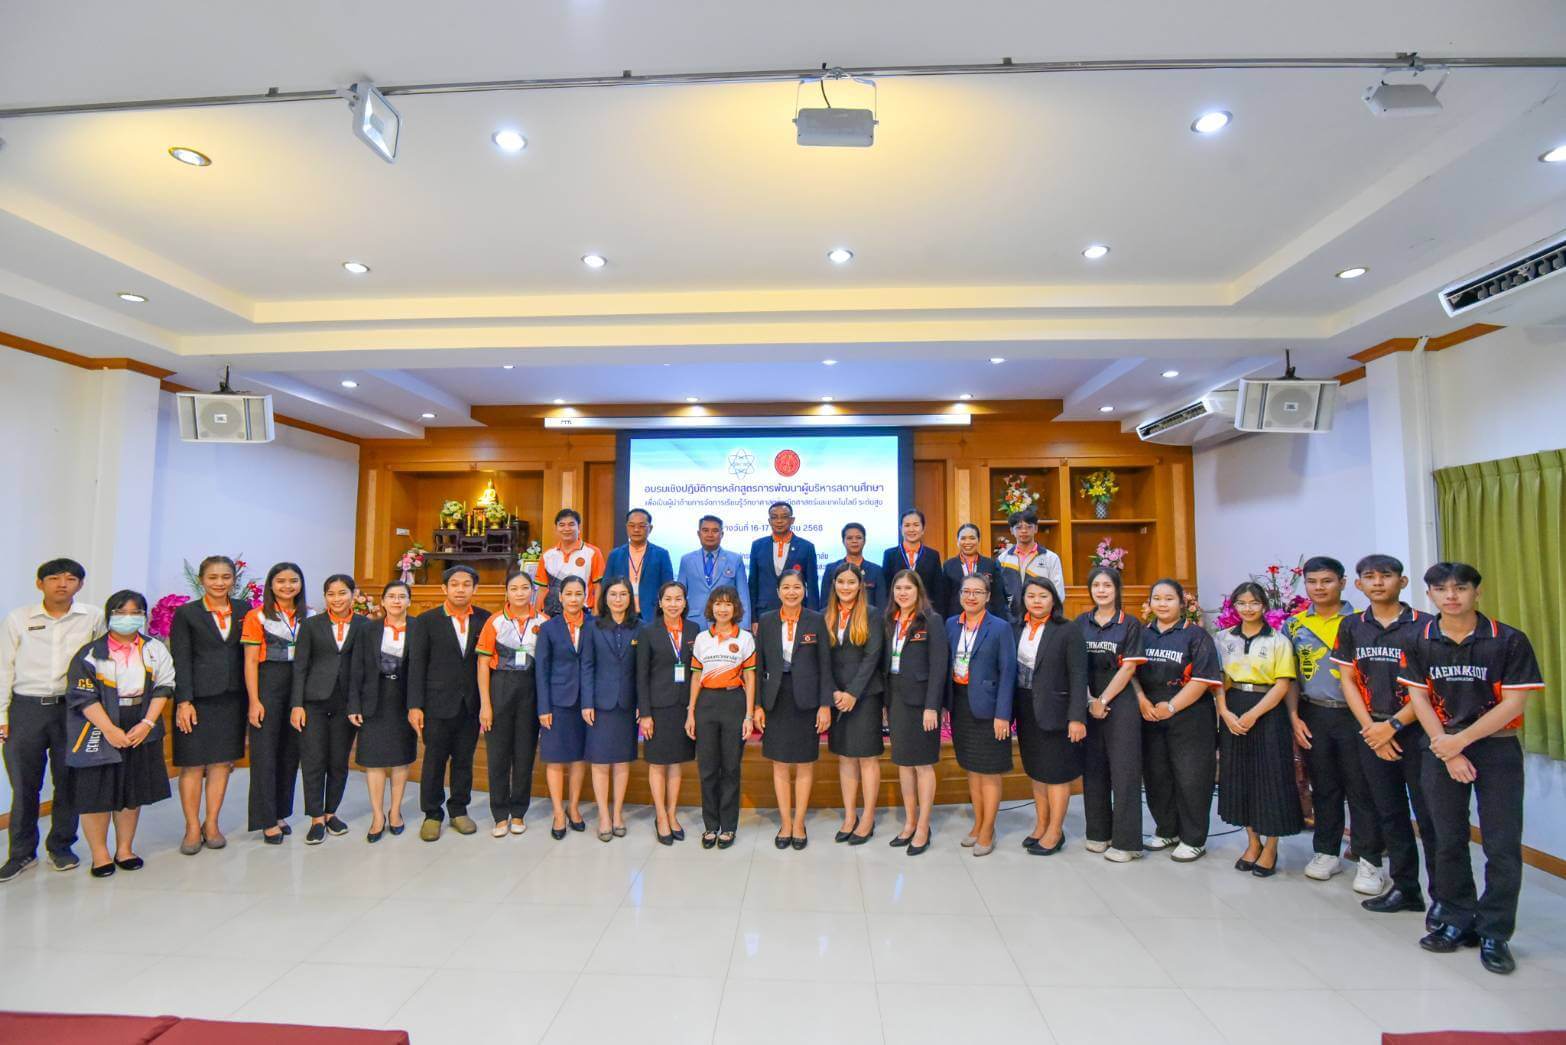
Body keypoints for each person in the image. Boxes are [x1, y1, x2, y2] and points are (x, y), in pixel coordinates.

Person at [1401, 562, 1545, 976]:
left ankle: (1495, 931)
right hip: (1440, 746)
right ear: (1430, 594)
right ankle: (1455, 919)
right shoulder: (1418, 638)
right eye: (1441, 589)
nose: (1451, 596)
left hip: (1496, 748)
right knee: (1446, 838)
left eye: (1460, 588)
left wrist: (1459, 743)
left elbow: (1513, 703)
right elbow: (1419, 699)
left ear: (1476, 592)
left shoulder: (1508, 640)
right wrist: (1447, 749)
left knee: (1501, 844)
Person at [1332, 554, 1438, 914]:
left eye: (1386, 576)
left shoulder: (1426, 626)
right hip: (1372, 730)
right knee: (1389, 812)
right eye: (1370, 577)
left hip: (1418, 731)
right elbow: (1348, 680)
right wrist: (1370, 727)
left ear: (1402, 582)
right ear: (1359, 584)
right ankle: (1406, 889)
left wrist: (1392, 725)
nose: (1378, 583)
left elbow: (1430, 686)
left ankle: (1444, 896)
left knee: (1430, 815)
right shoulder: (1352, 626)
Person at [1286, 556, 1387, 895]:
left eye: (1327, 581)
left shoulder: (1361, 621)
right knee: (1324, 786)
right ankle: (1326, 852)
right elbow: (1290, 676)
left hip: (1358, 716)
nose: (1319, 588)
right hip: (1315, 712)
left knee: (1362, 787)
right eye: (1312, 582)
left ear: (1343, 583)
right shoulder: (1295, 625)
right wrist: (1294, 716)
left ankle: (1369, 858)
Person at [0, 558, 102, 882]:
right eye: (54, 578)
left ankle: (61, 846)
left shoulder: (93, 617)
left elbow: (102, 663)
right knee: (24, 785)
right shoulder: (18, 619)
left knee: (68, 780)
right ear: (39, 583)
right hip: (25, 708)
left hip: (72, 708)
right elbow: (4, 667)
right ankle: (21, 853)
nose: (62, 584)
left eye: (70, 579)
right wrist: (2, 714)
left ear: (80, 585)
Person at [64, 591, 172, 878]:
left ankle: (125, 849)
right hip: (99, 722)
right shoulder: (91, 653)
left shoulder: (154, 648)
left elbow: (164, 686)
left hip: (140, 719)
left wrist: (147, 723)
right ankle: (100, 854)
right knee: (96, 791)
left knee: (131, 790)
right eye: (121, 612)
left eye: (135, 613)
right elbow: (83, 696)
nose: (128, 618)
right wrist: (109, 729)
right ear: (109, 615)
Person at [1215, 581, 1303, 877]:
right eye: (1242, 603)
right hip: (1233, 707)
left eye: (1254, 603)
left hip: (1267, 710)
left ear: (1264, 605)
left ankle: (1271, 846)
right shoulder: (1223, 638)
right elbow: (1218, 679)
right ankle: (1252, 842)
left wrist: (1254, 714)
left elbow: (1282, 684)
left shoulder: (1278, 640)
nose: (1248, 608)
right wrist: (1224, 711)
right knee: (1239, 776)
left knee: (1271, 777)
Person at [1136, 578, 1222, 863]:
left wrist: (1172, 706)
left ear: (1182, 603)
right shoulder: (1142, 634)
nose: (1162, 604)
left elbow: (1202, 679)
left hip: (1189, 715)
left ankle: (1193, 838)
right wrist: (1143, 701)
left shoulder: (1196, 636)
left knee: (1191, 777)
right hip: (1151, 713)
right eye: (1157, 598)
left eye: (1169, 598)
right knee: (1157, 776)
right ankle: (1167, 829)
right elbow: (1130, 672)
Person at [167, 556, 249, 855]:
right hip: (197, 701)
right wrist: (184, 701)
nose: (219, 582)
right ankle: (191, 826)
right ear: (201, 580)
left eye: (226, 577)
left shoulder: (244, 610)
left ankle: (211, 823)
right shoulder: (187, 613)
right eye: (213, 577)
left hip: (232, 699)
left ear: (234, 580)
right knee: (192, 765)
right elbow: (181, 659)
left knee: (221, 764)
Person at [407, 564, 491, 842]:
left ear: (475, 589)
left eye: (466, 584)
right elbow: (416, 665)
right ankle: (432, 814)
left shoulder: (485, 619)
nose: (460, 589)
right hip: (437, 704)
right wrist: (415, 705)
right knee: (434, 761)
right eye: (454, 584)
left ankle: (459, 810)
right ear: (444, 588)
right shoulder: (427, 620)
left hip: (470, 705)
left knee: (464, 760)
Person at [755, 571, 832, 850]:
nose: (791, 592)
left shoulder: (816, 619)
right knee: (779, 763)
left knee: (804, 762)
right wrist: (758, 705)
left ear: (805, 590)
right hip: (776, 698)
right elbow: (759, 664)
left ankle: (799, 823)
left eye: (796, 587)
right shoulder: (766, 621)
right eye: (786, 587)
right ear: (778, 592)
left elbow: (825, 664)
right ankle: (785, 823)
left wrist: (825, 704)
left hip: (807, 699)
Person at [1013, 576, 1089, 857]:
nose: (1036, 601)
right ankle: (1041, 824)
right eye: (1031, 595)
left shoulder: (1067, 630)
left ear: (1053, 600)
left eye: (1043, 596)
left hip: (1056, 711)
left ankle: (1055, 831)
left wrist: (1077, 717)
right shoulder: (1016, 627)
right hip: (1026, 709)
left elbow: (1079, 676)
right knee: (1036, 770)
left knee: (1056, 773)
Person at [1076, 566, 1147, 862]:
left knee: (1124, 772)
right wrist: (1089, 700)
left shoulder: (1130, 624)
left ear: (1117, 589)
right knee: (1093, 769)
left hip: (1121, 703)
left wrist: (1103, 699)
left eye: (1107, 585)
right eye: (1096, 585)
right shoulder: (1081, 622)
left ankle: (1127, 842)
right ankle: (1098, 832)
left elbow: (1128, 668)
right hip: (1089, 701)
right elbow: (1075, 666)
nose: (1102, 590)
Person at [290, 574, 368, 844]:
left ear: (353, 595)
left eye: (342, 593)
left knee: (338, 761)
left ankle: (331, 812)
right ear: (325, 597)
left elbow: (364, 668)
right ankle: (316, 818)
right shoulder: (311, 625)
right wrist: (297, 704)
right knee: (313, 760)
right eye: (331, 594)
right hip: (314, 701)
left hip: (346, 703)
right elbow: (300, 666)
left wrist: (357, 705)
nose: (337, 599)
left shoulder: (364, 625)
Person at [946, 573, 1016, 856]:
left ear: (987, 596)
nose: (971, 596)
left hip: (989, 708)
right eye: (966, 591)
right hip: (961, 705)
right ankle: (978, 823)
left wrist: (1003, 714)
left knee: (989, 771)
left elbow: (1008, 671)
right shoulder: (951, 624)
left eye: (978, 592)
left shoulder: (999, 627)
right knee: (972, 768)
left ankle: (988, 829)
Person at [476, 570, 547, 838]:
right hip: (500, 688)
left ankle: (518, 812)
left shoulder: (543, 621)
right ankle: (499, 814)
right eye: (514, 588)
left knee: (524, 754)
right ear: (506, 592)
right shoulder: (495, 621)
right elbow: (483, 663)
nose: (519, 593)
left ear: (533, 591)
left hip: (531, 688)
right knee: (498, 755)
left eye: (524, 588)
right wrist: (486, 705)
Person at [883, 569, 948, 856]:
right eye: (898, 588)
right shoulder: (889, 620)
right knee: (903, 763)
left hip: (922, 702)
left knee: (922, 764)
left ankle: (923, 826)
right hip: (896, 697)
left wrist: (932, 706)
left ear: (918, 591)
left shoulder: (931, 620)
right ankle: (909, 822)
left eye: (908, 588)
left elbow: (939, 666)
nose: (903, 593)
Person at [686, 586, 756, 848]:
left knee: (730, 767)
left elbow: (750, 677)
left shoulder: (745, 638)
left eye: (728, 604)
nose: (722, 608)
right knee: (707, 768)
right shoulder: (702, 638)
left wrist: (749, 715)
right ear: (711, 607)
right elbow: (695, 677)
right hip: (706, 704)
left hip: (734, 702)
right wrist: (691, 711)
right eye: (718, 603)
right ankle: (710, 825)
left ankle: (728, 826)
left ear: (735, 608)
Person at [349, 580, 418, 842]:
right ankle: (378, 815)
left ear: (409, 601)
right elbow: (356, 668)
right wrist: (354, 704)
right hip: (373, 701)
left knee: (401, 758)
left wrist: (418, 705)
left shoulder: (418, 628)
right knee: (374, 760)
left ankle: (395, 811)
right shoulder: (368, 629)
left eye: (402, 596)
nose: (397, 601)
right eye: (391, 596)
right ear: (383, 601)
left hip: (404, 700)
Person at [242, 562, 306, 844]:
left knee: (290, 754)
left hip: (298, 687)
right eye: (281, 581)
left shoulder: (309, 615)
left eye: (293, 581)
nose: (287, 586)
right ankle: (266, 819)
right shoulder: (256, 616)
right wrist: (254, 700)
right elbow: (250, 661)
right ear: (271, 585)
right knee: (265, 754)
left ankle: (281, 813)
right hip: (268, 685)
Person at [824, 564, 886, 845]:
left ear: (860, 585)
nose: (846, 587)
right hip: (838, 698)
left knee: (867, 758)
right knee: (845, 757)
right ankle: (850, 817)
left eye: (851, 582)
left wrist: (853, 693)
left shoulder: (872, 614)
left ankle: (868, 818)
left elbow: (872, 658)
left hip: (865, 697)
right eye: (841, 582)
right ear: (834, 585)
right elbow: (822, 660)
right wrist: (834, 693)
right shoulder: (825, 615)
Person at [635, 581, 698, 844]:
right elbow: (641, 676)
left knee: (676, 763)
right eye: (668, 599)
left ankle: (672, 814)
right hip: (658, 708)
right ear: (660, 603)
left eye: (678, 599)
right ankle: (660, 816)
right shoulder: (648, 632)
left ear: (685, 602)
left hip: (683, 706)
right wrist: (645, 713)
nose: (673, 604)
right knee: (658, 763)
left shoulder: (694, 629)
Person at [535, 574, 592, 839]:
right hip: (557, 702)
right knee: (556, 757)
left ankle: (574, 807)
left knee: (579, 757)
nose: (573, 599)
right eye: (568, 594)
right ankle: (558, 812)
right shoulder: (549, 628)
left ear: (585, 596)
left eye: (578, 593)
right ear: (560, 597)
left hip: (587, 702)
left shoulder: (594, 624)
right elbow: (541, 670)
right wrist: (543, 707)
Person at [583, 577, 639, 841]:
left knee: (621, 760)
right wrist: (587, 702)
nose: (618, 599)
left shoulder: (640, 627)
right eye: (613, 594)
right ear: (605, 597)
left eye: (623, 594)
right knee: (601, 760)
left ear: (630, 598)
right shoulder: (592, 627)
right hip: (600, 703)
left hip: (627, 703)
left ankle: (618, 814)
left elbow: (642, 671)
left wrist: (642, 703)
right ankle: (603, 815)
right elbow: (587, 666)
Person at [675, 515, 751, 628]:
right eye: (705, 530)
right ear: (699, 534)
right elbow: (679, 594)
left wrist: (744, 627)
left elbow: (743, 596)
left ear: (722, 534)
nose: (710, 535)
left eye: (715, 531)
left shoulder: (735, 559)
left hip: (726, 622)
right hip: (693, 623)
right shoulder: (687, 560)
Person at [749, 501, 819, 620]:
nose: (779, 521)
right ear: (769, 521)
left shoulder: (806, 547)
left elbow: (812, 586)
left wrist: (813, 617)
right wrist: (753, 618)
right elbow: (753, 585)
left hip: (798, 612)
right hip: (764, 612)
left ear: (792, 520)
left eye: (784, 517)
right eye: (774, 517)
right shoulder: (757, 546)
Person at [605, 508, 674, 623]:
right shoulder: (615, 554)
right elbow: (606, 586)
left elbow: (668, 587)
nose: (636, 529)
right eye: (632, 525)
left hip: (651, 616)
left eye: (642, 526)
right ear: (626, 527)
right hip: (620, 614)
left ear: (650, 528)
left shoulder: (661, 554)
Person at [995, 509, 1065, 621]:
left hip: (1042, 618)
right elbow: (999, 593)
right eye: (1019, 527)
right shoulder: (1003, 559)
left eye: (1029, 527)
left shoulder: (1050, 558)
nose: (1024, 531)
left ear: (1036, 529)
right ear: (1011, 530)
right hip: (1011, 619)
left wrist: (1049, 616)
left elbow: (1058, 592)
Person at [535, 508, 606, 615]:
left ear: (579, 527)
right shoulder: (547, 556)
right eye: (562, 525)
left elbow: (598, 587)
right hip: (552, 614)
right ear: (556, 528)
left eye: (571, 524)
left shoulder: (593, 552)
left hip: (583, 613)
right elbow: (542, 589)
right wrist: (537, 615)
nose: (566, 528)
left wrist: (596, 613)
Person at [881, 509, 945, 613]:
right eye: (907, 525)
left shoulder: (933, 555)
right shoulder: (890, 554)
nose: (911, 529)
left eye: (916, 525)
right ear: (901, 529)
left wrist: (937, 616)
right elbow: (886, 588)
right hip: (897, 612)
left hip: (926, 612)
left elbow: (938, 591)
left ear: (923, 529)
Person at [940, 523, 1007, 618]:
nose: (967, 542)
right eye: (963, 538)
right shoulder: (948, 565)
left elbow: (998, 597)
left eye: (972, 538)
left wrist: (1001, 621)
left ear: (978, 540)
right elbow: (944, 599)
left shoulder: (990, 564)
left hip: (986, 618)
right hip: (957, 618)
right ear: (957, 541)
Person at [820, 522, 885, 610]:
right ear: (843, 541)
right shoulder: (831, 569)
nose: (854, 541)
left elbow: (881, 604)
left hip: (869, 617)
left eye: (858, 538)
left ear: (864, 541)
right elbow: (825, 604)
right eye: (849, 538)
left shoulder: (876, 570)